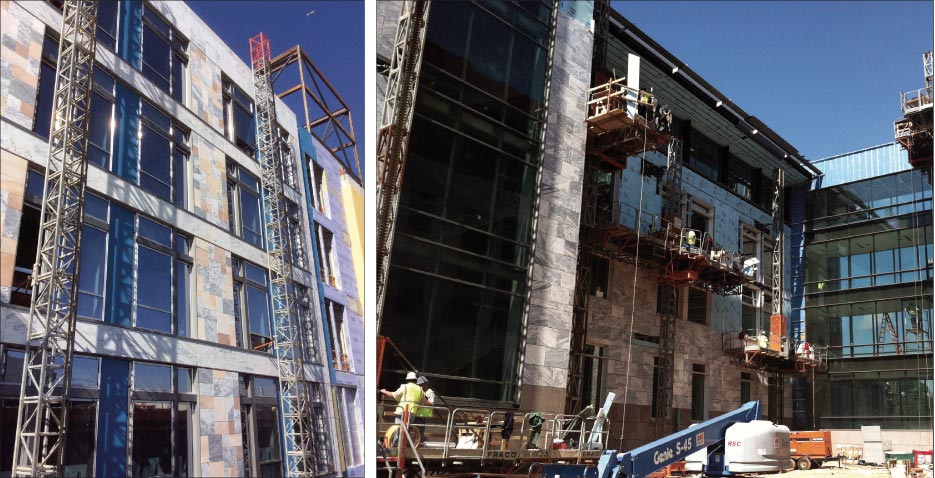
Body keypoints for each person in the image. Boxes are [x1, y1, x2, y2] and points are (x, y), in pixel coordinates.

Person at [411, 376, 435, 443]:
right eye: (419, 385)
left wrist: (423, 399)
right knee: (413, 430)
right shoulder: (419, 391)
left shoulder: (430, 392)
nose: (420, 386)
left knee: (419, 430)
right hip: (415, 414)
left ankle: (419, 443)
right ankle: (414, 443)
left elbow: (431, 404)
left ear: (425, 383)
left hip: (422, 416)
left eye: (421, 385)